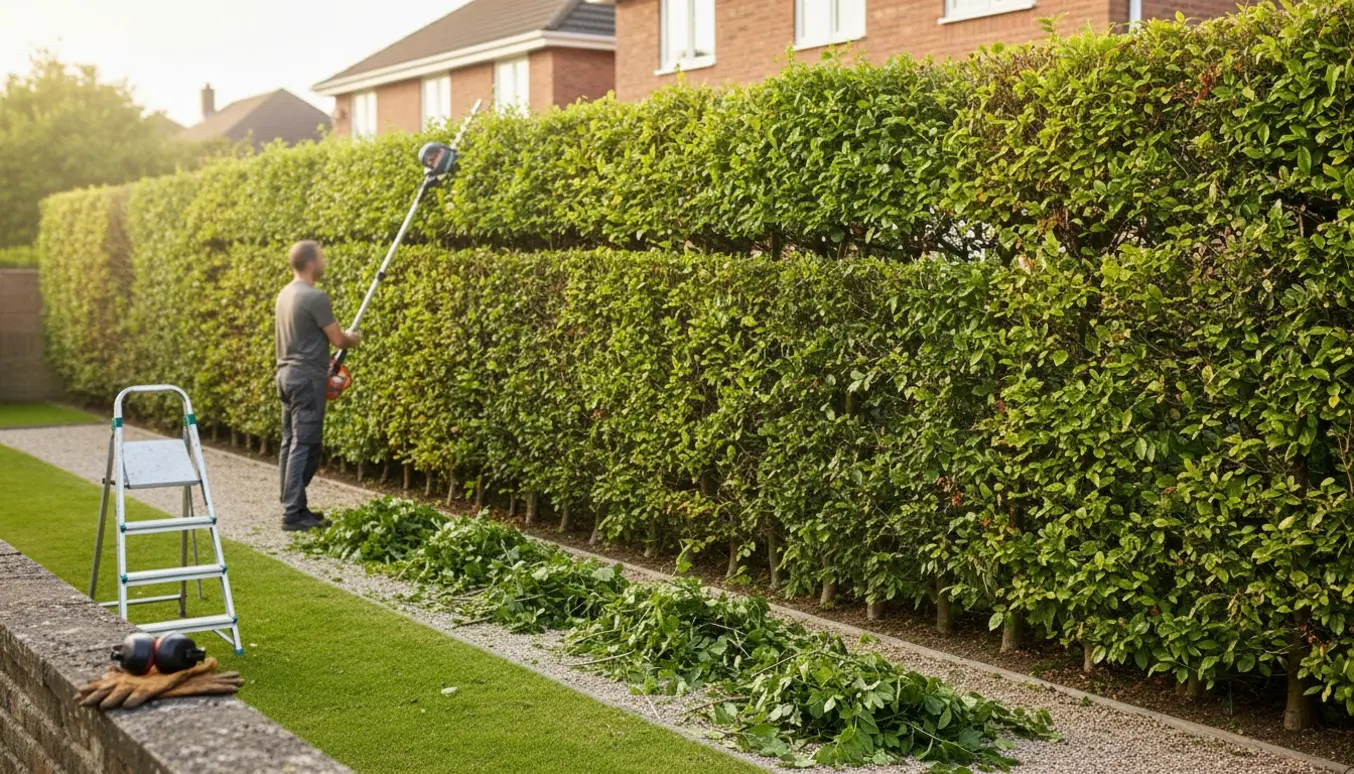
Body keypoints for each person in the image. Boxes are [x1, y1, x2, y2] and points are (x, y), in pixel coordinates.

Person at [274, 241, 360, 531]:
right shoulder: (314, 296)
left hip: (285, 375)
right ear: (311, 262)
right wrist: (353, 338)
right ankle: (292, 513)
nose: (323, 262)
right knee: (306, 443)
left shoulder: (284, 294)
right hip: (306, 380)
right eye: (321, 257)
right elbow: (338, 340)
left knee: (290, 441)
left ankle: (294, 503)